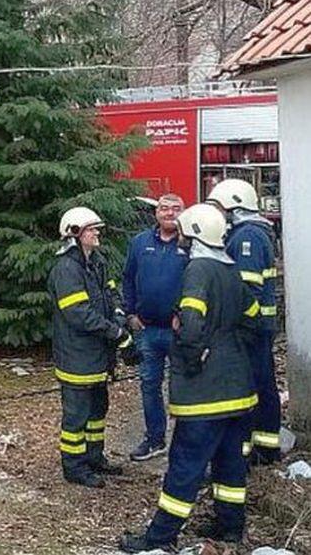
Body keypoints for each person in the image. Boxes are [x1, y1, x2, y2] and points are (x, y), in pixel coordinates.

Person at [120, 203, 260, 552]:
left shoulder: (198, 269)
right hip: (239, 390)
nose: (178, 234)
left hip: (206, 395)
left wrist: (191, 356)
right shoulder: (230, 269)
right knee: (230, 463)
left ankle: (160, 537)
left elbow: (191, 326)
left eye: (184, 229)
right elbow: (254, 317)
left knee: (185, 464)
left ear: (195, 232)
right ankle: (230, 527)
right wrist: (225, 342)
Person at [48, 207, 141, 489]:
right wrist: (116, 333)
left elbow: (111, 295)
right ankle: (74, 466)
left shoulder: (96, 261)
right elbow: (78, 313)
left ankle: (94, 457)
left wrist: (120, 319)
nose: (97, 232)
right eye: (91, 229)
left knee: (98, 409)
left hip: (98, 355)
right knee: (77, 414)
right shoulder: (66, 269)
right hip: (77, 355)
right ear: (74, 233)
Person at [207, 178, 281, 465]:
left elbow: (245, 290)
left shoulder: (246, 237)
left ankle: (257, 450)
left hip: (251, 328)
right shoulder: (254, 233)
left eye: (221, 207)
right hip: (259, 327)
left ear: (235, 207)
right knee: (262, 383)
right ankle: (265, 445)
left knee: (254, 386)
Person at [122, 194, 188, 461]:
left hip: (178, 331)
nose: (169, 213)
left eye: (175, 209)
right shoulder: (140, 243)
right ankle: (154, 439)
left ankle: (185, 444)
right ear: (156, 213)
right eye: (164, 208)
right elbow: (128, 278)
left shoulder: (190, 244)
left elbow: (199, 282)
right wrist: (130, 313)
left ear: (183, 213)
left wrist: (184, 314)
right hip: (147, 330)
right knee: (149, 385)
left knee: (182, 387)